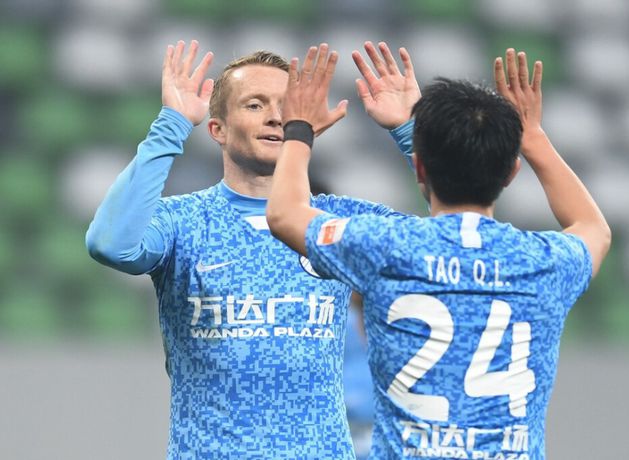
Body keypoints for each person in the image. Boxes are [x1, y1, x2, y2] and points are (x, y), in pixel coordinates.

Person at [266, 47, 611, 460]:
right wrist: (533, 137)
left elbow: (284, 213)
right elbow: (593, 228)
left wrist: (299, 129)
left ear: (420, 169)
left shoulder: (385, 246)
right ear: (511, 173)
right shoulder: (544, 262)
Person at [85, 39, 420, 459]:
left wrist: (409, 131)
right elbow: (111, 244)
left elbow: (450, 240)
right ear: (218, 130)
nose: (276, 116)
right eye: (255, 104)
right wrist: (171, 124)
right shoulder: (183, 222)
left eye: (286, 105)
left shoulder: (335, 222)